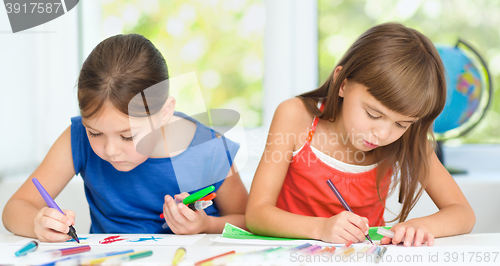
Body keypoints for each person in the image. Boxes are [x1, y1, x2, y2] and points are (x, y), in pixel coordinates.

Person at [245, 23, 475, 247]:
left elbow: (463, 213)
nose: (383, 133)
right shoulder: (295, 117)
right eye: (373, 114)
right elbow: (256, 213)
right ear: (342, 83)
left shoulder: (408, 138)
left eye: (401, 124)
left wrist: (421, 226)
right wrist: (321, 228)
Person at [2, 34, 248, 242]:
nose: (110, 150)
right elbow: (15, 208)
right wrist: (37, 223)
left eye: (128, 136)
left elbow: (249, 222)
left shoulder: (210, 149)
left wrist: (204, 224)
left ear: (164, 112)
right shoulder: (76, 138)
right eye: (95, 133)